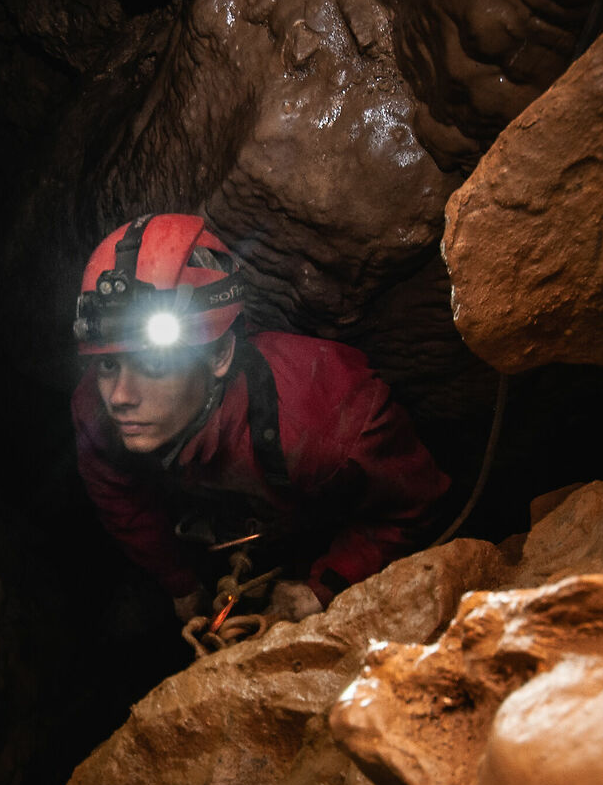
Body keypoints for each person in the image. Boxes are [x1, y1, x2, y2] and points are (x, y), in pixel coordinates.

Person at [70, 213, 449, 627]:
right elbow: (120, 500)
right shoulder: (97, 411)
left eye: (153, 363)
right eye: (108, 364)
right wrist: (179, 582)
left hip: (315, 528)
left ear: (218, 355)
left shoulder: (329, 419)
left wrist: (326, 585)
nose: (120, 397)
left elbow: (414, 505)